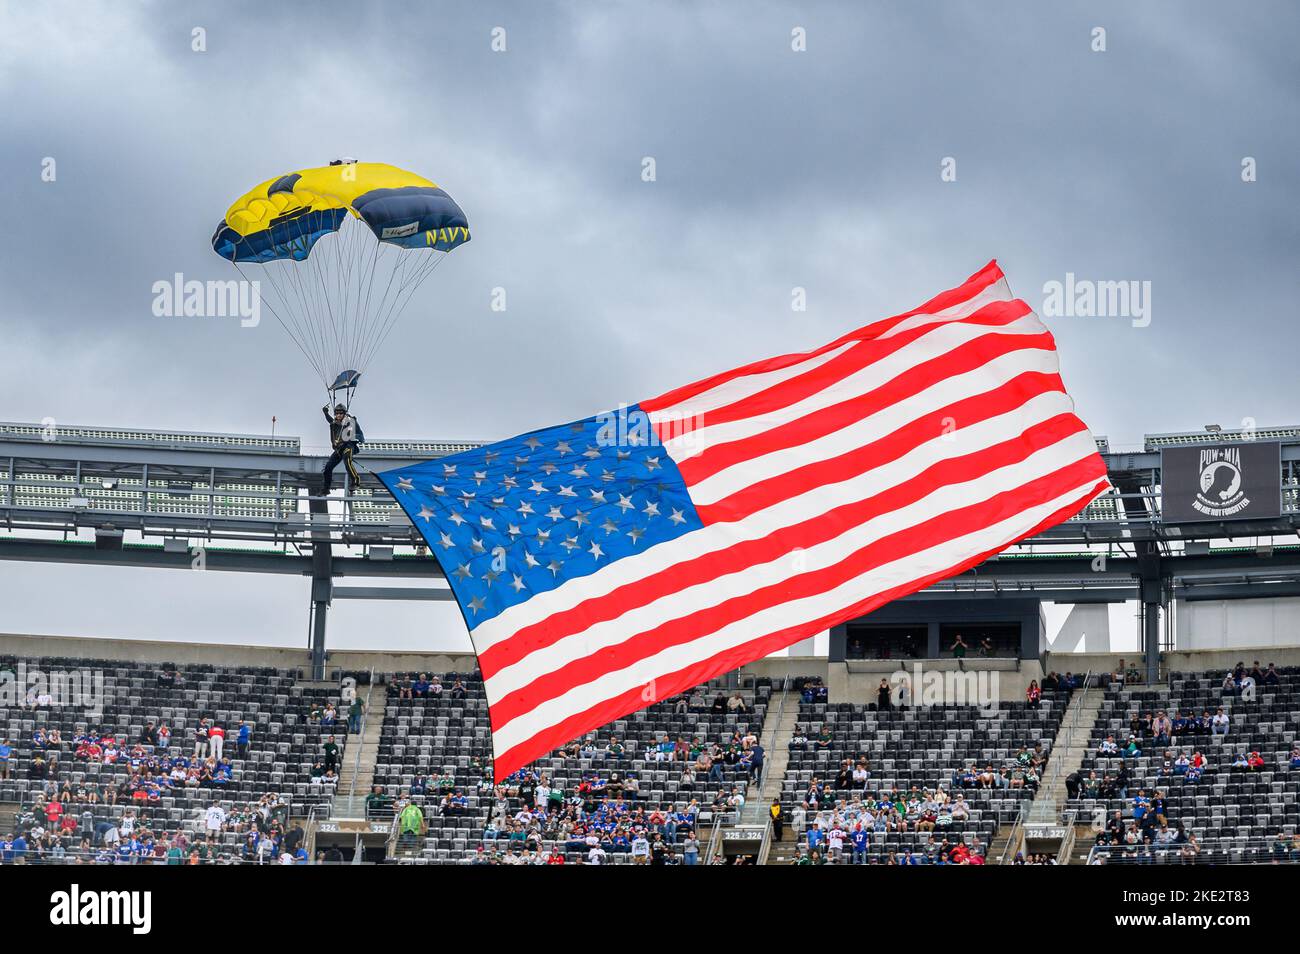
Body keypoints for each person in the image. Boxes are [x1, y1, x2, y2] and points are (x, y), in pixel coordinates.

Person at [320, 403, 361, 494]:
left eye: (340, 414)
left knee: (347, 461)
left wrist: (351, 420)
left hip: (348, 446)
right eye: (337, 414)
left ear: (344, 414)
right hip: (339, 450)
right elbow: (330, 420)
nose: (338, 415)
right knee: (328, 468)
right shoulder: (334, 423)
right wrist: (326, 413)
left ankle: (355, 482)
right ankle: (326, 488)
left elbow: (356, 432)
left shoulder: (350, 421)